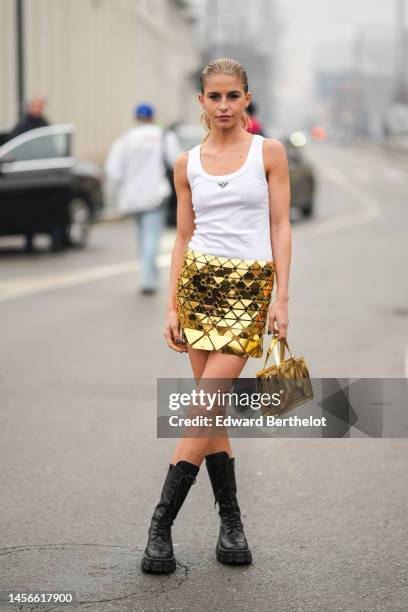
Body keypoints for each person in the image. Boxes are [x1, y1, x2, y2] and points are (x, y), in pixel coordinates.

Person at [141, 58, 291, 573]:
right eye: (215, 97)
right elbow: (182, 236)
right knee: (215, 413)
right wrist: (172, 305)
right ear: (201, 102)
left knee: (204, 406)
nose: (224, 105)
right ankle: (232, 525)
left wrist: (281, 297)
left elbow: (280, 225)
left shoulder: (267, 153)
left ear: (247, 97)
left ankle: (160, 526)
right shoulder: (187, 163)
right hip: (199, 284)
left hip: (249, 288)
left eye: (233, 96)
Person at [105, 104, 181, 295]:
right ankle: (148, 279)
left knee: (141, 237)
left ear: (136, 118)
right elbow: (179, 162)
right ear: (153, 117)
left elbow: (113, 171)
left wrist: (117, 192)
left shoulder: (125, 140)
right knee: (151, 238)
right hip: (155, 195)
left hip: (132, 198)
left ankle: (148, 276)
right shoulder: (163, 136)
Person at [9, 96, 50, 251]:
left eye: (41, 106)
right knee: (28, 209)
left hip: (43, 171)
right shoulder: (23, 125)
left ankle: (55, 238)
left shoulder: (44, 124)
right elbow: (16, 146)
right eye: (37, 106)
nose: (39, 109)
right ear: (30, 107)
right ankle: (29, 239)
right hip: (26, 172)